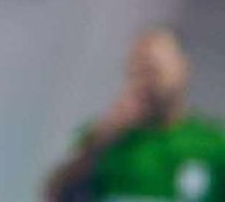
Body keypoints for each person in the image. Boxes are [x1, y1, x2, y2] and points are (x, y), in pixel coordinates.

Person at [43, 27, 225, 202]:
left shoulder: (214, 145)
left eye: (154, 69)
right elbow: (57, 194)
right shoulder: (105, 137)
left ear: (183, 67)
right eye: (137, 72)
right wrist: (100, 140)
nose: (147, 81)